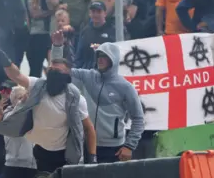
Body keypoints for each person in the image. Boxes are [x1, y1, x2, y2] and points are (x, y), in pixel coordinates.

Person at [0, 49, 98, 178]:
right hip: (41, 150)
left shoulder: (75, 99)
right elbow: (17, 76)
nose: (53, 72)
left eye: (58, 71)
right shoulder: (38, 86)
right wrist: (7, 62)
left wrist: (92, 157)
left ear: (67, 77)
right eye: (51, 69)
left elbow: (89, 129)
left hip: (65, 152)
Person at [50, 34, 145, 163]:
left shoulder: (125, 87)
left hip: (114, 149)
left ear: (114, 60)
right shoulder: (87, 76)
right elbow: (58, 72)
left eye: (105, 56)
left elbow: (139, 118)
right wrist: (57, 46)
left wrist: (129, 146)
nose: (100, 59)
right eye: (99, 56)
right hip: (86, 144)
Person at [26, 0, 61, 78]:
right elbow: (34, 14)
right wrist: (52, 12)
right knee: (35, 71)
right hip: (36, 34)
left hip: (51, 33)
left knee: (55, 69)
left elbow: (53, 4)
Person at [74, 1, 117, 69]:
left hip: (107, 71)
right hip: (88, 72)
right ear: (90, 14)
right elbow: (79, 55)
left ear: (105, 13)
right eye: (93, 11)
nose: (96, 14)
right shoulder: (85, 31)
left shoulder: (113, 31)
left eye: (99, 11)